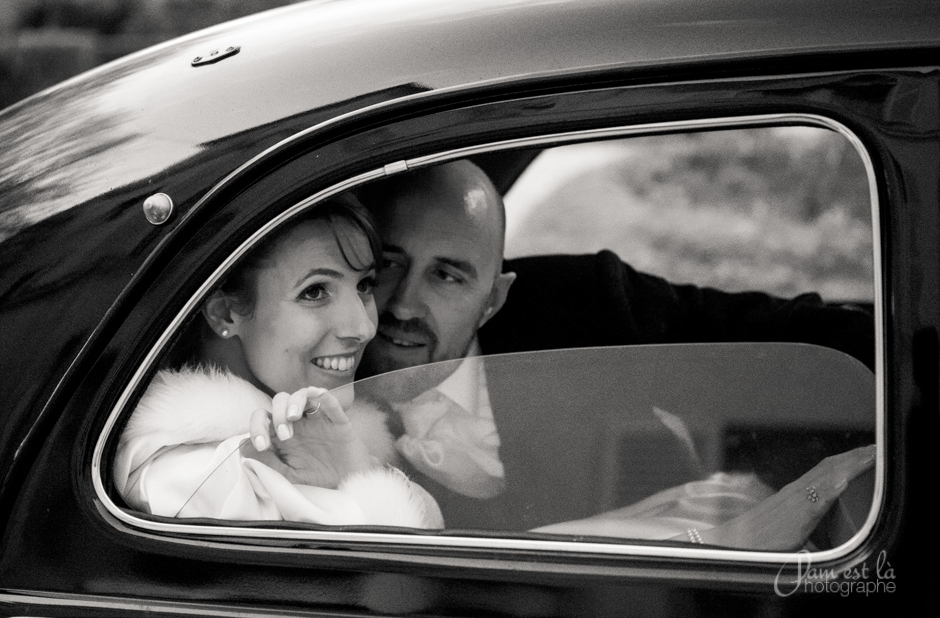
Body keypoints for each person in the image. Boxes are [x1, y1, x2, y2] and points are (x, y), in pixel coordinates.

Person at [350, 159, 876, 548]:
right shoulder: (316, 385)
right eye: (390, 264)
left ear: (494, 299)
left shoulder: (585, 305)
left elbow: (794, 343)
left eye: (447, 275)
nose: (402, 304)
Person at [114, 195, 442, 528]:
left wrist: (357, 472)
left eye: (364, 285)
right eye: (314, 292)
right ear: (225, 313)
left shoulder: (312, 445)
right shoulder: (202, 482)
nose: (363, 327)